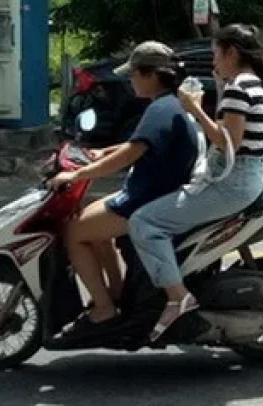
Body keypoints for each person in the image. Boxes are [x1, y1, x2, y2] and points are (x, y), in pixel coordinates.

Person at [128, 24, 263, 341]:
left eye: (216, 56)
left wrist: (194, 109)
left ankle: (178, 296)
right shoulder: (254, 85)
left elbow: (228, 143)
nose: (214, 64)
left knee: (144, 222)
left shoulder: (239, 88)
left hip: (232, 184)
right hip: (247, 177)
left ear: (231, 53)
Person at [48, 42, 198, 332]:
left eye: (134, 75)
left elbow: (130, 155)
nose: (130, 81)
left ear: (150, 75)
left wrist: (77, 176)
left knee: (73, 233)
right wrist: (104, 152)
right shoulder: (168, 104)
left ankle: (104, 310)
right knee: (87, 219)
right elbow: (138, 145)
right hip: (150, 190)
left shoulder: (160, 109)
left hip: (146, 198)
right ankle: (116, 295)